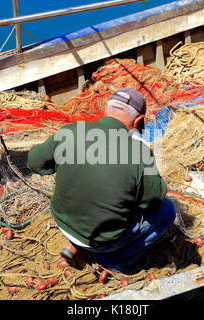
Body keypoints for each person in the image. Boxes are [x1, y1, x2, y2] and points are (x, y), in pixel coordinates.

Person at [27, 88, 176, 273]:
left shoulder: (70, 131)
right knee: (168, 211)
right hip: (104, 241)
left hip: (64, 223)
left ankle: (75, 245)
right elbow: (153, 203)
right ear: (137, 122)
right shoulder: (139, 153)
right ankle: (114, 261)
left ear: (107, 110)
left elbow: (34, 162)